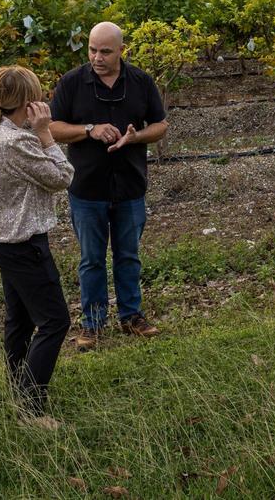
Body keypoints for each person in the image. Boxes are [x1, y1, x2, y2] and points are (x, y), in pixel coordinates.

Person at [49, 21, 168, 351]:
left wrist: (136, 137)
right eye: (91, 49)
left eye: (105, 51)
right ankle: (93, 324)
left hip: (130, 186)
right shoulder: (73, 82)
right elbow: (54, 128)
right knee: (91, 259)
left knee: (128, 256)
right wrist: (89, 129)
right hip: (88, 189)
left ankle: (131, 316)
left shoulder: (141, 82)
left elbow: (160, 125)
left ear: (121, 51)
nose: (96, 57)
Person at [0, 65, 75, 430]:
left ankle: (19, 389)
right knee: (54, 321)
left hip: (1, 241)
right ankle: (31, 412)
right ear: (29, 101)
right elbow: (62, 178)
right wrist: (46, 133)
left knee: (18, 319)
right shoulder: (17, 141)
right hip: (22, 244)